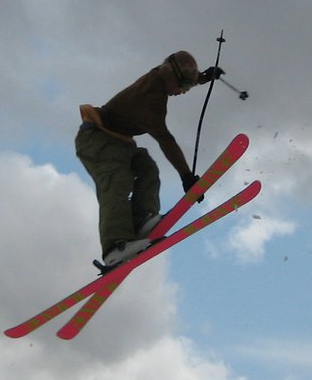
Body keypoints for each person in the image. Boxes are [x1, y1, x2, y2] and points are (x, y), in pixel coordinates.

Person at [76, 51, 216, 266]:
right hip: (97, 139)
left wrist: (204, 77)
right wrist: (186, 176)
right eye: (183, 87)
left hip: (119, 141)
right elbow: (165, 140)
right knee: (116, 182)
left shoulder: (161, 75)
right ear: (173, 79)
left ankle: (141, 219)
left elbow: (177, 70)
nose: (182, 92)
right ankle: (115, 245)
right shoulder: (150, 99)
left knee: (146, 168)